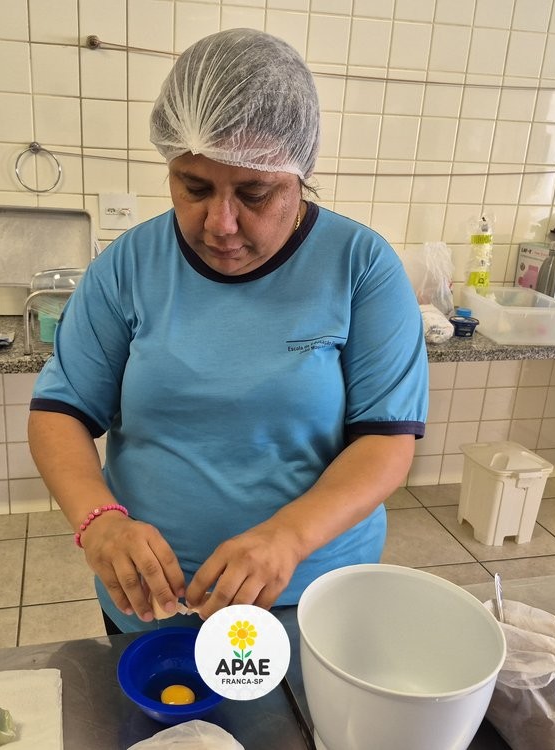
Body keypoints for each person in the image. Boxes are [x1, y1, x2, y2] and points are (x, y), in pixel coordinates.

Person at [28, 28, 428, 633]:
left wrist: (287, 537)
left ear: (298, 176)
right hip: (152, 600)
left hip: (309, 594)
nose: (221, 223)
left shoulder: (360, 266)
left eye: (254, 193)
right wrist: (100, 521)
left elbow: (386, 441)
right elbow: (60, 412)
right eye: (194, 188)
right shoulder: (128, 265)